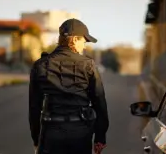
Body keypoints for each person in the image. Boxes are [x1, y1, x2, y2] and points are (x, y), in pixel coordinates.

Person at [29, 18, 109, 154]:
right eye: (84, 41)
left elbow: (34, 107)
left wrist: (36, 139)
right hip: (81, 134)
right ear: (75, 39)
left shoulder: (41, 65)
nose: (84, 46)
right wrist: (100, 138)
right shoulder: (88, 65)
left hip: (51, 134)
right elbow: (99, 102)